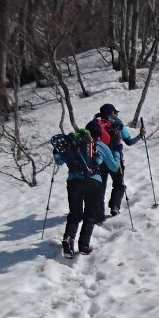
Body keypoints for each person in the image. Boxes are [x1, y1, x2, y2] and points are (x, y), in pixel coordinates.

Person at [55, 129, 113, 258]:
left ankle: (68, 238)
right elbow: (108, 165)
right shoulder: (97, 145)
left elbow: (58, 161)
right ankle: (84, 245)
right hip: (94, 181)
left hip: (73, 181)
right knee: (90, 214)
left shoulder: (70, 145)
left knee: (75, 212)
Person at [87, 103, 144, 217]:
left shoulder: (94, 125)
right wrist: (141, 135)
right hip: (115, 160)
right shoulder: (117, 124)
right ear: (112, 113)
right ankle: (115, 207)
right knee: (119, 184)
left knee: (100, 189)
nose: (117, 114)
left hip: (99, 161)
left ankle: (98, 215)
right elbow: (129, 142)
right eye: (116, 112)